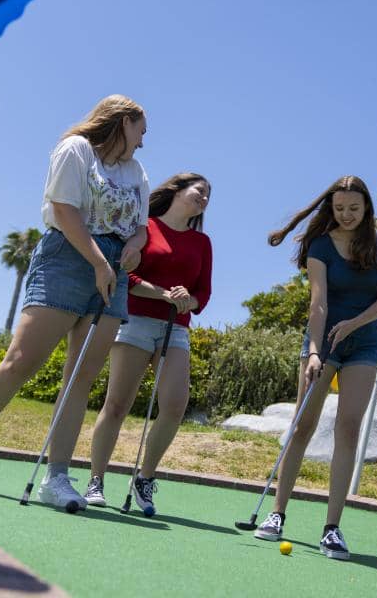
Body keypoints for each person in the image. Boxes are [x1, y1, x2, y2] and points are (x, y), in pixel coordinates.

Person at [0, 95, 150, 512]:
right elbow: (63, 209)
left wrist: (132, 247)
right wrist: (98, 262)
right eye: (141, 131)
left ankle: (57, 478)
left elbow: (140, 228)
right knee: (20, 361)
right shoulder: (75, 148)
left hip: (113, 271)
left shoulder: (136, 172)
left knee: (80, 378)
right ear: (123, 121)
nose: (143, 143)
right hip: (68, 257)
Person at [253, 175, 377, 560]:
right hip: (322, 342)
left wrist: (353, 323)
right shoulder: (321, 244)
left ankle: (332, 528)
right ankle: (277, 514)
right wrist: (315, 350)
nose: (346, 215)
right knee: (302, 424)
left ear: (366, 207)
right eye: (339, 209)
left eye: (354, 208)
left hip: (363, 343)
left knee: (347, 428)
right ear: (330, 209)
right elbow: (318, 303)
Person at [84, 173, 212, 515]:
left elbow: (204, 293)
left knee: (174, 405)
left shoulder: (203, 243)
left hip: (176, 329)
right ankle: (96, 479)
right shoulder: (146, 227)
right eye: (199, 191)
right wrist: (164, 294)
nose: (203, 199)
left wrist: (189, 300)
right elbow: (129, 275)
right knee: (116, 405)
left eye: (207, 196)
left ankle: (145, 477)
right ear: (177, 191)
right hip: (137, 320)